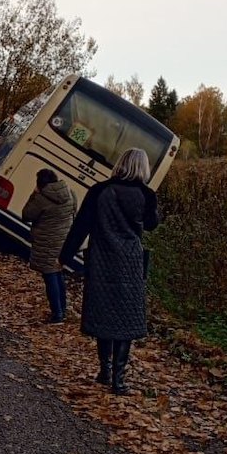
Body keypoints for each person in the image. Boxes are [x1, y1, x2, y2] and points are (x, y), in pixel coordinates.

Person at [59, 148, 160, 395]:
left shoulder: (99, 191)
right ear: (143, 168)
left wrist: (64, 256)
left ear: (120, 164)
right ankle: (119, 380)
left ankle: (104, 370)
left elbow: (81, 225)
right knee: (126, 317)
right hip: (130, 263)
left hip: (102, 260)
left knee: (104, 314)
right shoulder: (146, 195)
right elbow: (152, 225)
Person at [22, 169, 77, 324]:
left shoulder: (41, 198)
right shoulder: (70, 193)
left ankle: (57, 314)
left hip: (46, 243)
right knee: (58, 273)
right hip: (63, 242)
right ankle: (63, 309)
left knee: (50, 276)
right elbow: (74, 212)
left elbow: (26, 215)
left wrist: (34, 195)